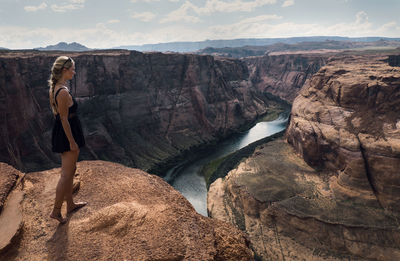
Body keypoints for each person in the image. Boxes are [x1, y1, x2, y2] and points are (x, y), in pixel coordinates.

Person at [48, 56, 87, 224]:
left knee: (70, 171)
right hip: (67, 133)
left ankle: (69, 204)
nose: (74, 72)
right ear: (64, 70)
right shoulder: (62, 92)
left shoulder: (59, 87)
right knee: (65, 174)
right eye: (72, 69)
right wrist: (72, 142)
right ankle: (56, 211)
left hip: (67, 131)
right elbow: (64, 119)